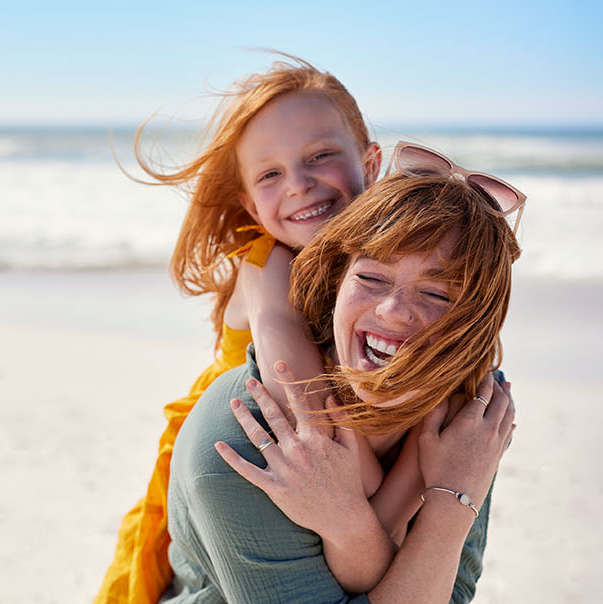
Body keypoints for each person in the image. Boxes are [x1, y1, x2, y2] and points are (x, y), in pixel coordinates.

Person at [161, 156, 525, 603]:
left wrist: (353, 525)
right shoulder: (245, 439)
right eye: (371, 277)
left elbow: (454, 594)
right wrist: (448, 508)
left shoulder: (470, 425)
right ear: (337, 284)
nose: (393, 310)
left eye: (436, 293)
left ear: (475, 323)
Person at [96, 54, 390, 603]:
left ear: (370, 163)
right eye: (270, 174)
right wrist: (375, 493)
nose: (299, 184)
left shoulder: (381, 269)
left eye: (320, 156)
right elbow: (298, 395)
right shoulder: (265, 266)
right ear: (250, 204)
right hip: (236, 462)